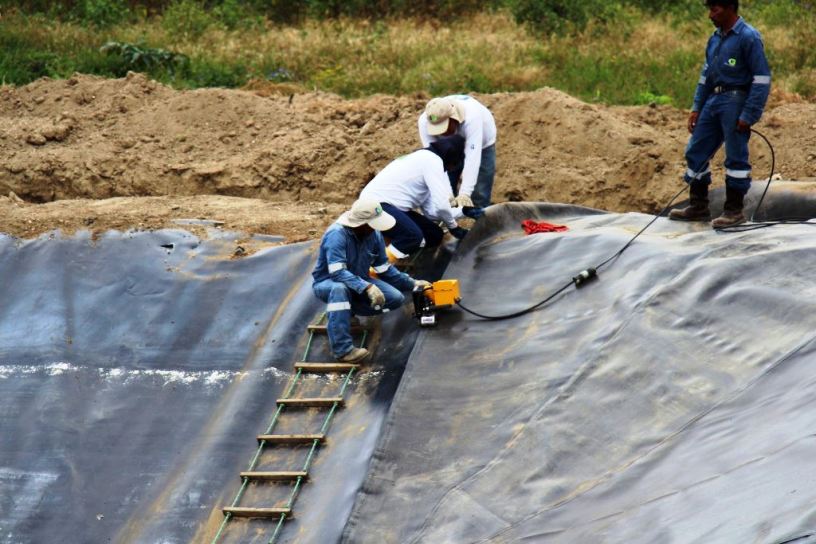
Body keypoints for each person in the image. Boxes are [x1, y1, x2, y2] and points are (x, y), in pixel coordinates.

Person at [669, 0, 771, 228]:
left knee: (735, 156)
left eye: (714, 9)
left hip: (735, 100)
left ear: (729, 9)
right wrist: (697, 107)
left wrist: (749, 114)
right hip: (713, 100)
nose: (710, 15)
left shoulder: (748, 37)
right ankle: (698, 206)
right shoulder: (715, 39)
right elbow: (706, 76)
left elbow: (761, 79)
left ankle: (734, 211)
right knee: (696, 150)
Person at [312, 199, 431, 362]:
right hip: (328, 282)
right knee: (339, 289)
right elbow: (337, 272)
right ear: (361, 224)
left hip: (359, 281)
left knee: (395, 298)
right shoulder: (337, 235)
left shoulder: (373, 235)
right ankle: (343, 350)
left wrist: (413, 283)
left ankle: (347, 311)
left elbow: (384, 268)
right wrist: (367, 287)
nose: (376, 228)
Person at [360, 135, 475, 261]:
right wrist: (454, 227)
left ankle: (403, 256)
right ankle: (377, 269)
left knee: (434, 234)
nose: (450, 170)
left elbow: (432, 212)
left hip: (391, 207)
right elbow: (442, 206)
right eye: (453, 166)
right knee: (412, 236)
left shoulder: (425, 162)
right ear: (451, 158)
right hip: (375, 204)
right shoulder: (432, 161)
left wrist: (464, 212)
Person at [418, 95, 497, 209]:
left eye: (444, 127)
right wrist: (445, 192)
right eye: (438, 129)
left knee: (480, 188)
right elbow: (435, 160)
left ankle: (479, 215)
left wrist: (465, 193)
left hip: (483, 143)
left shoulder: (472, 117)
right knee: (448, 180)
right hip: (450, 145)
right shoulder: (424, 122)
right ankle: (450, 212)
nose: (442, 133)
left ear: (454, 118)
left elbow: (472, 158)